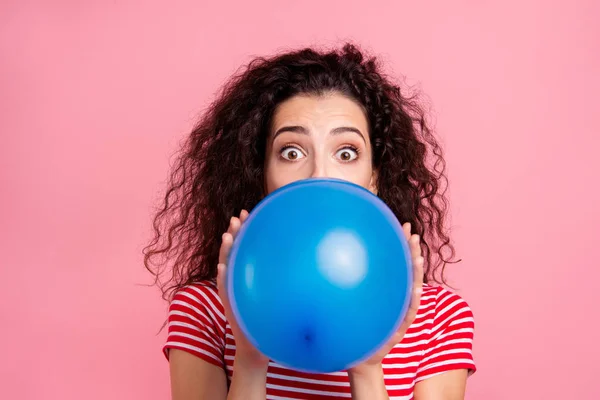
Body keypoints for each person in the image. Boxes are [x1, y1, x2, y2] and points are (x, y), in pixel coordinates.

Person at [144, 43, 476, 399]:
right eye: (291, 152)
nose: (319, 174)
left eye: (346, 153)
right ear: (263, 174)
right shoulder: (204, 309)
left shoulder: (440, 317)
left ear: (374, 177)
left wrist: (367, 366)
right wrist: (251, 358)